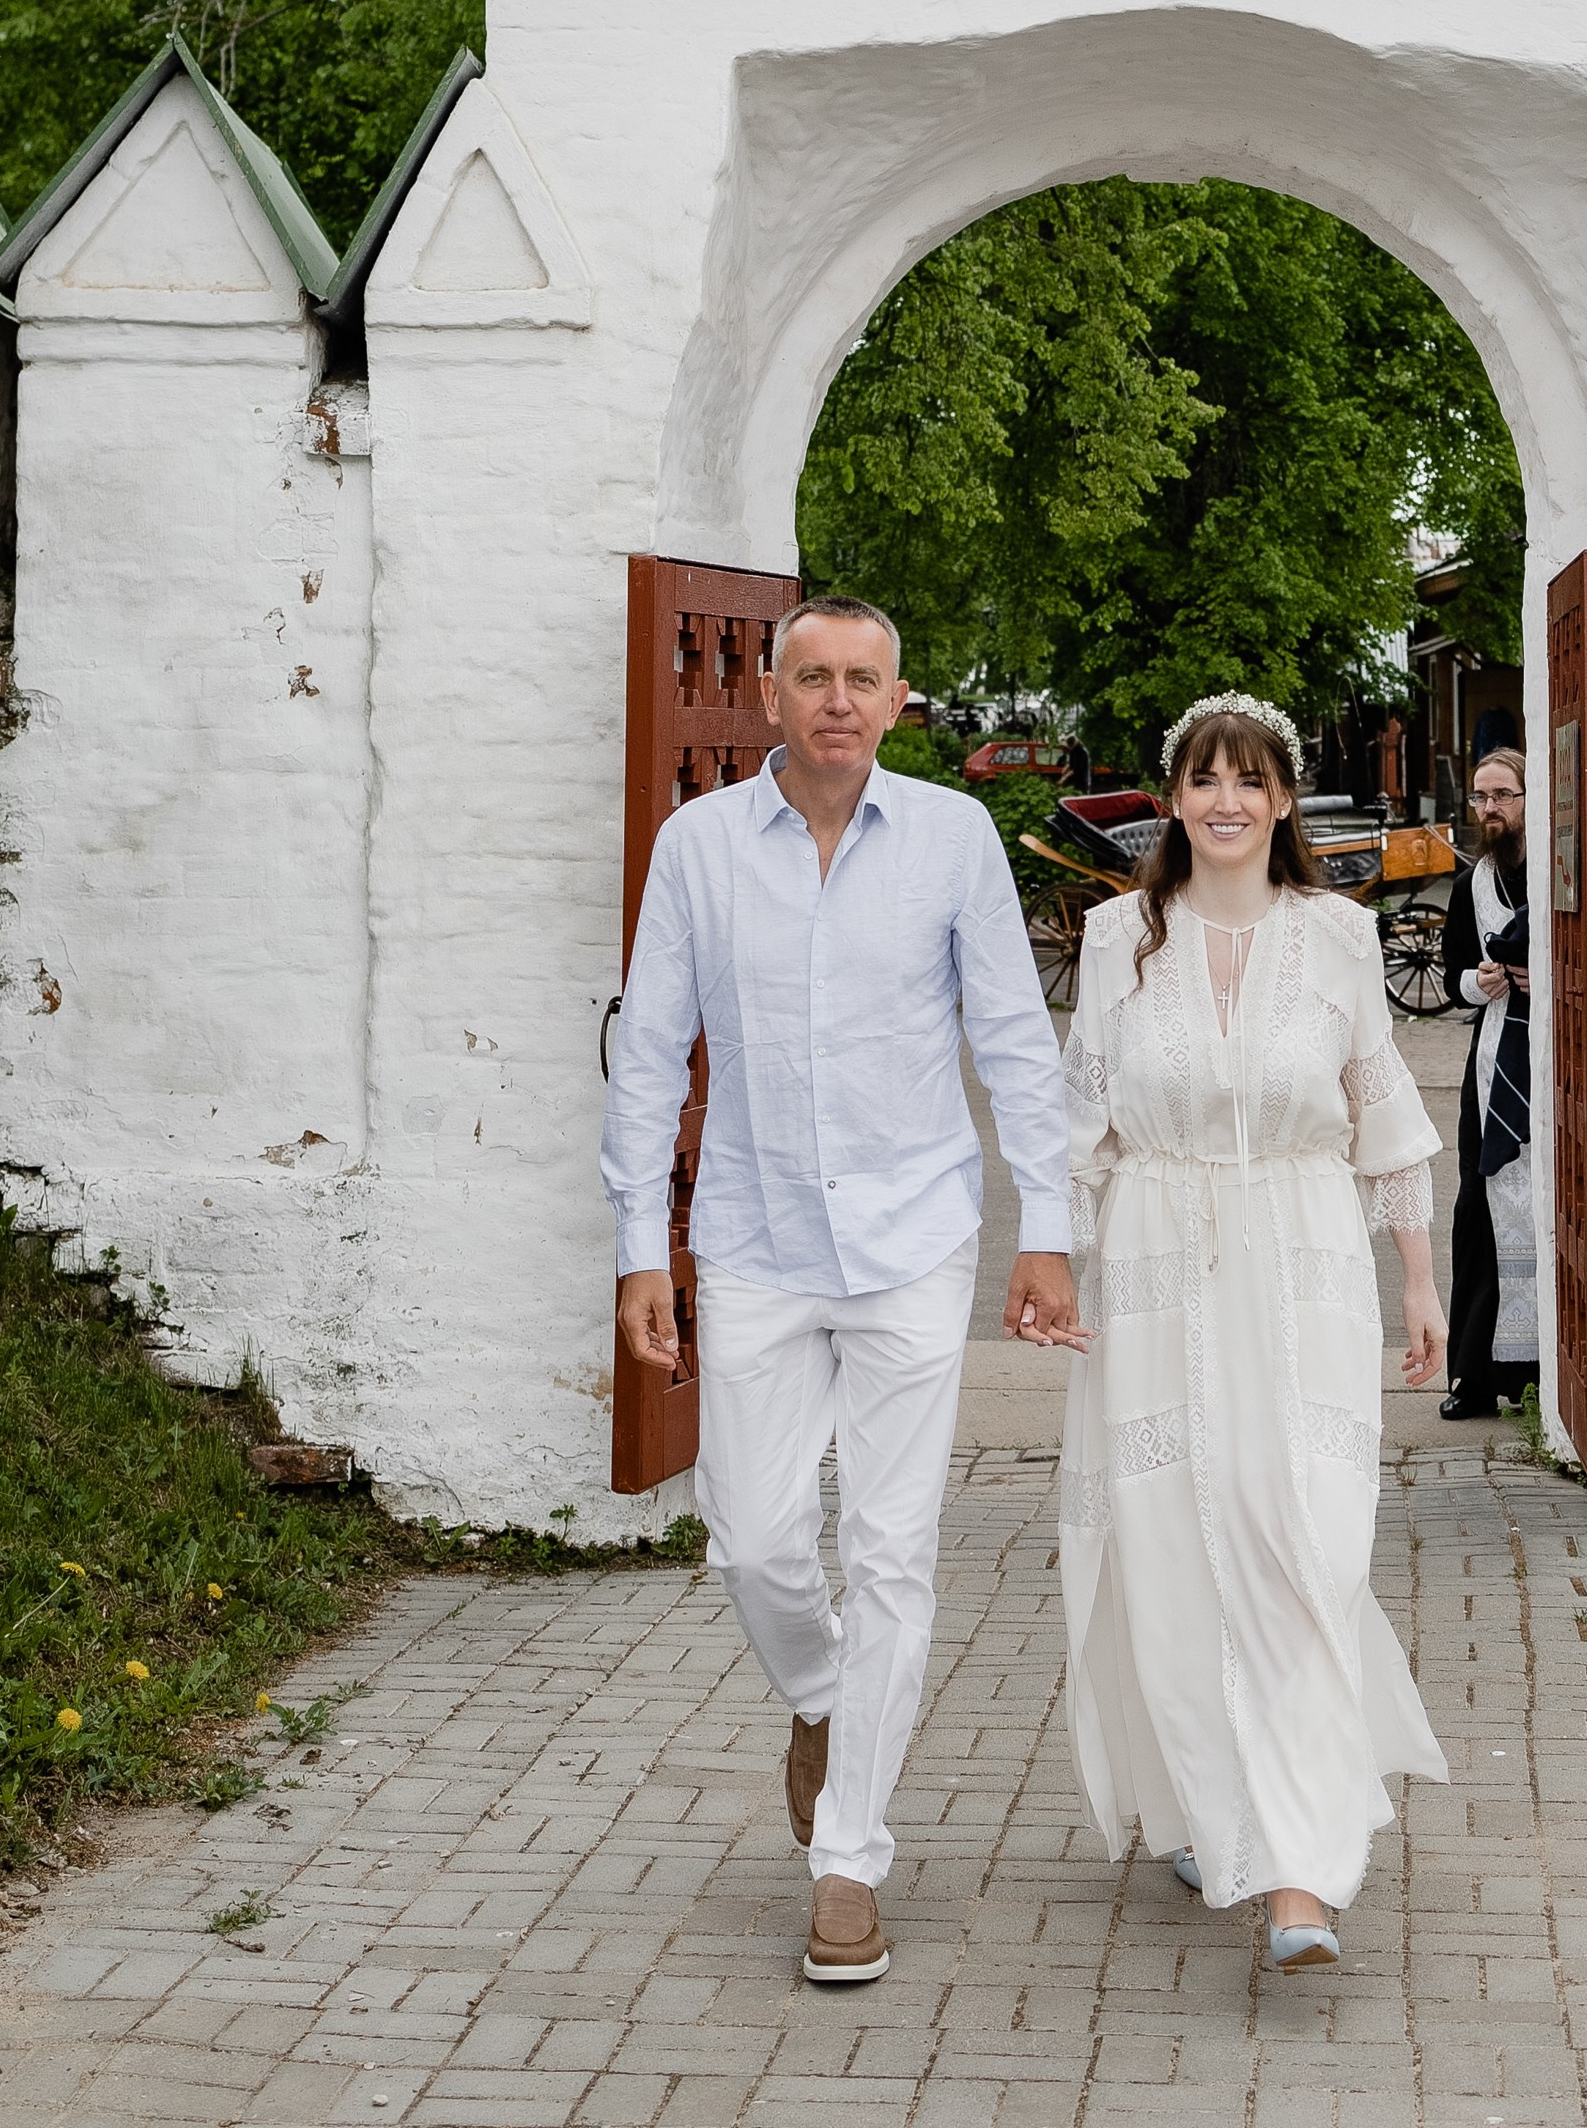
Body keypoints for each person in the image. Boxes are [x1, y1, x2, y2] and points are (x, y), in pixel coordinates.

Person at [604, 596, 1079, 1989]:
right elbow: (650, 1050)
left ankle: (848, 1861)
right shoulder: (699, 848)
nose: (836, 700)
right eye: (811, 675)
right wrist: (645, 1244)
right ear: (768, 695)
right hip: (751, 1238)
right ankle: (821, 1698)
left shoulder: (951, 840)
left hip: (914, 1236)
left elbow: (1011, 1037)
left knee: (890, 1552)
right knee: (750, 1539)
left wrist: (1040, 1228)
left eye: (862, 678)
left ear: (896, 697)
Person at [1058, 693, 1449, 1970]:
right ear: (1172, 797)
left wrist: (1421, 1286)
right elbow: (1080, 1125)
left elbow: (1382, 1115)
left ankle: (1298, 1869)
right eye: (1202, 777)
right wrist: (1053, 1263)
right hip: (1158, 1262)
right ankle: (1198, 1797)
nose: (1226, 799)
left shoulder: (1336, 935)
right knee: (1172, 1544)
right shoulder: (1121, 936)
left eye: (1251, 779)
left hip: (1301, 1269)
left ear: (1281, 800)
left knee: (1299, 1542)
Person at [1438, 745, 1538, 1421]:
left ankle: (1539, 1375)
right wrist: (1480, 981)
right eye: (1480, 797)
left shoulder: (1558, 871)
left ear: (1530, 799)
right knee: (1480, 1210)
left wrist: (1551, 980)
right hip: (1493, 1059)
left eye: (1502, 794)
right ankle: (1475, 1376)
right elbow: (1450, 978)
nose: (1490, 808)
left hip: (1553, 1061)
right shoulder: (1469, 884)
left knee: (1546, 1209)